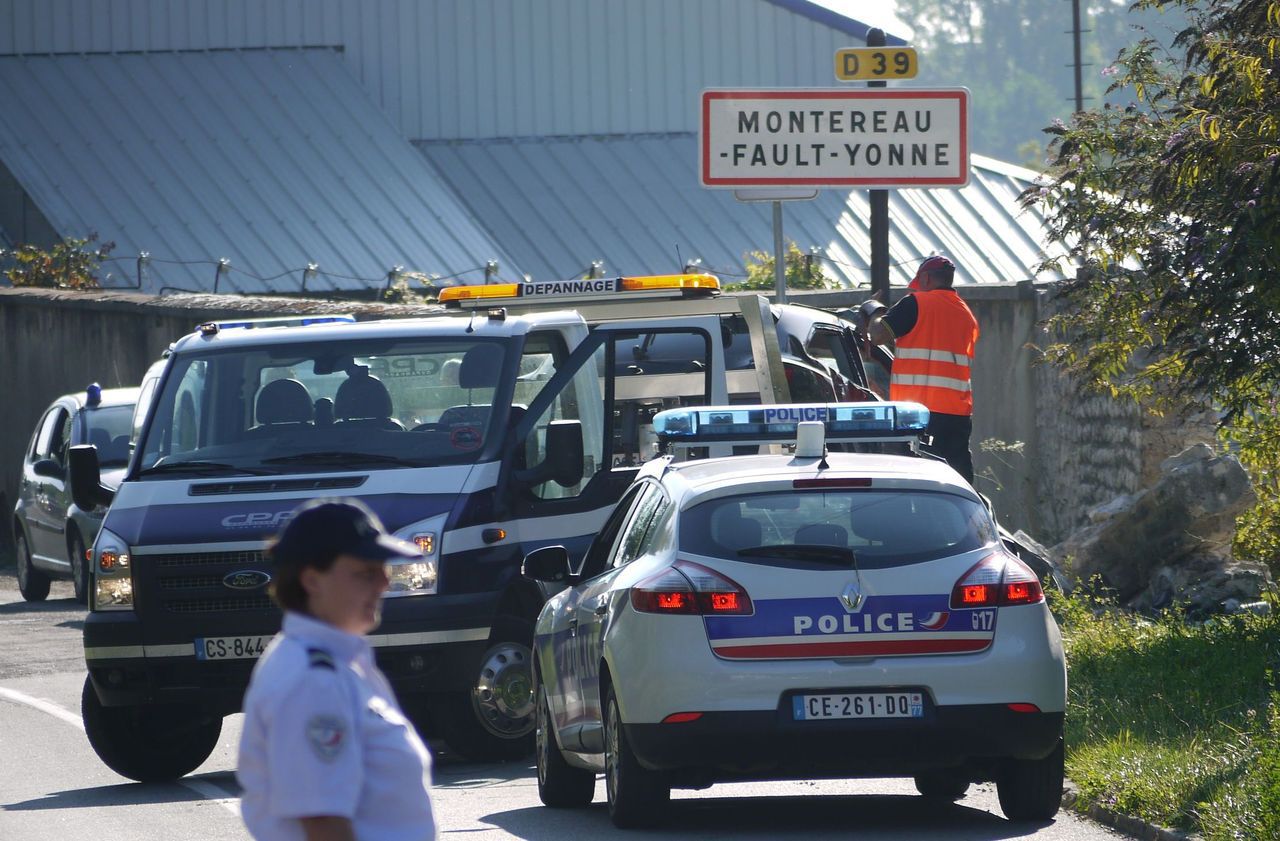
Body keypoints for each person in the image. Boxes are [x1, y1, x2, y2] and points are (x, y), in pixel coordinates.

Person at [237, 498, 437, 841]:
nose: (384, 584)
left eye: (383, 569)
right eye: (365, 573)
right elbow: (323, 824)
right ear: (312, 580)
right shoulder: (313, 680)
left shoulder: (336, 663)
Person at [866, 255, 980, 484]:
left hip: (918, 412)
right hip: (957, 414)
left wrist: (873, 311)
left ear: (926, 278)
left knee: (914, 481)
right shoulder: (966, 314)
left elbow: (877, 335)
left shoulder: (916, 303)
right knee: (958, 481)